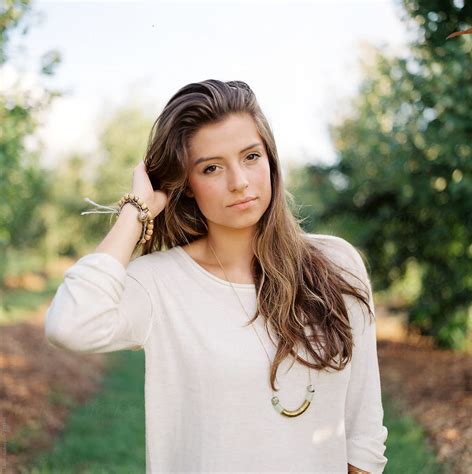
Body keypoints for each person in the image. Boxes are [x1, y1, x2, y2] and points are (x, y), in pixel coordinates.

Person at [44, 79, 388, 473]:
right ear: (186, 186)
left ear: (271, 160)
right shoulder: (159, 283)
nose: (239, 181)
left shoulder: (337, 263)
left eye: (251, 157)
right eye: (211, 168)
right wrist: (135, 210)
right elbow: (69, 325)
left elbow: (364, 433)